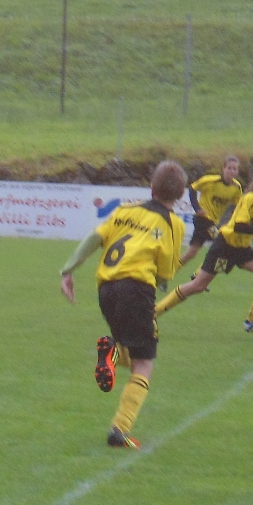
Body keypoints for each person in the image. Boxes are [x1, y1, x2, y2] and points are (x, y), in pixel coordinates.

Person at [60, 160, 188, 449]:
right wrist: (160, 280)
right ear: (180, 196)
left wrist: (67, 270)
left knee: (132, 351)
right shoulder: (173, 224)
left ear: (151, 187)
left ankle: (112, 354)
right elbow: (166, 271)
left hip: (106, 289)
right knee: (144, 364)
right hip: (137, 290)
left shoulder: (125, 210)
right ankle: (120, 429)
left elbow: (94, 238)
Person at [155, 169, 253, 334]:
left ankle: (252, 320)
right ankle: (154, 313)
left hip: (242, 250)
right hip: (225, 248)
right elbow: (239, 226)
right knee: (198, 285)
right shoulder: (249, 199)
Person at [180, 155, 242, 266]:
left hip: (213, 222)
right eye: (229, 168)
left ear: (237, 172)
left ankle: (168, 271)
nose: (231, 171)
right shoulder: (211, 180)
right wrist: (197, 208)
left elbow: (237, 206)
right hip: (202, 219)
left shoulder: (236, 187)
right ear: (223, 168)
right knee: (222, 243)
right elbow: (192, 188)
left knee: (191, 253)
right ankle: (203, 274)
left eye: (234, 169)